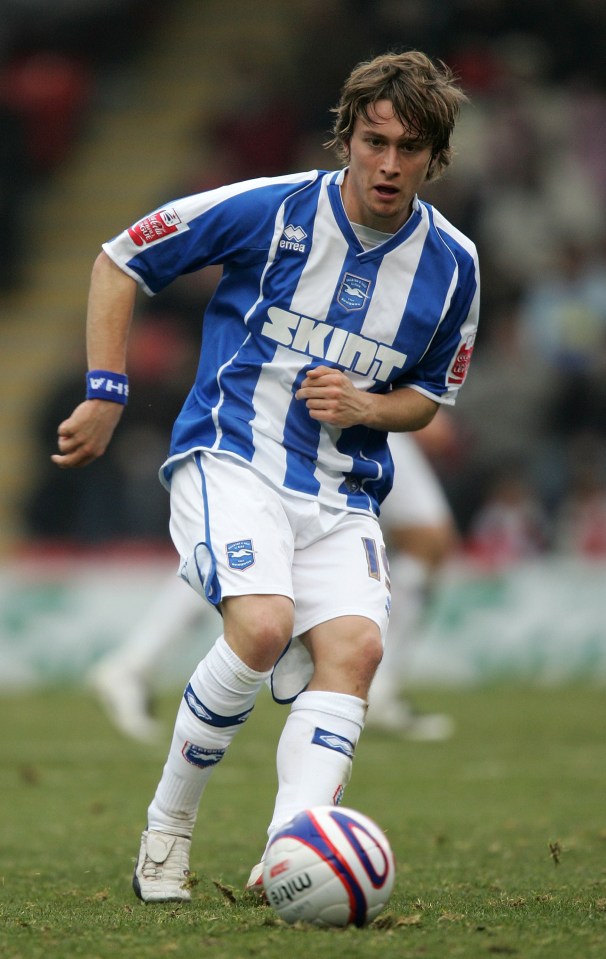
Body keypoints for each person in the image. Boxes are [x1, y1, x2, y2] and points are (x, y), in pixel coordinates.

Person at [51, 50, 479, 902]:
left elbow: (427, 399)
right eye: (375, 141)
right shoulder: (269, 207)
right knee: (259, 627)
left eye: (411, 148)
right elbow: (119, 257)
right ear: (347, 137)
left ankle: (294, 856)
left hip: (341, 492)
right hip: (231, 456)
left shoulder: (455, 264)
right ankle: (165, 839)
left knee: (355, 650)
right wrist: (106, 390)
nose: (389, 164)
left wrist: (367, 405)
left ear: (437, 157)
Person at [87, 427, 457, 743]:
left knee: (257, 547)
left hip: (346, 401)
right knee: (254, 547)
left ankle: (134, 663)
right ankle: (134, 664)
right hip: (320, 403)